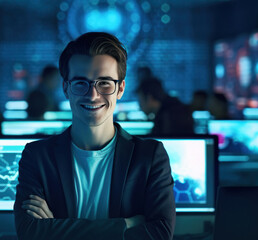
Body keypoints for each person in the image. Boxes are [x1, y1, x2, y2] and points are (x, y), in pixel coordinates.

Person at [14, 32, 176, 240]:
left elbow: (160, 234)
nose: (92, 95)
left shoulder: (150, 156)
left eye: (105, 83)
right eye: (81, 83)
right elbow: (30, 233)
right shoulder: (36, 156)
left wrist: (55, 228)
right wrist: (126, 225)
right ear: (66, 88)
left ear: (120, 89)